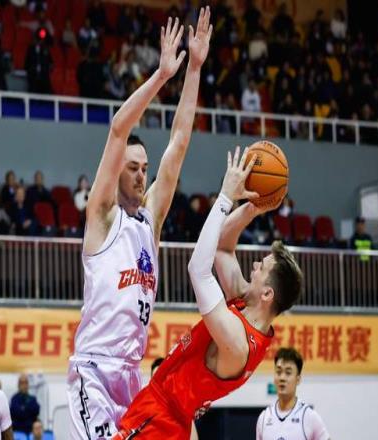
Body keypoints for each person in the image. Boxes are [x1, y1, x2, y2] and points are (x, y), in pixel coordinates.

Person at [68, 8, 213, 439]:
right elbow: (118, 129)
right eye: (132, 167)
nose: (140, 174)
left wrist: (195, 69)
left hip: (132, 375)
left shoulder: (149, 222)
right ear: (117, 172)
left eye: (144, 168)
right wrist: (162, 77)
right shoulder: (101, 216)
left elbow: (179, 143)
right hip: (95, 370)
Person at [114, 146, 303, 439]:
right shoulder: (247, 308)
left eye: (262, 266)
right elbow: (223, 247)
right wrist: (253, 207)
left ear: (267, 294)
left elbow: (198, 269)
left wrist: (226, 196)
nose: (254, 265)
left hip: (160, 419)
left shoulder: (238, 341)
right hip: (167, 416)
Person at [256, 347, 331, 440]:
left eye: (288, 373)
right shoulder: (264, 418)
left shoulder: (309, 417)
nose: (282, 378)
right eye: (278, 372)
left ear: (298, 379)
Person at [151, 358, 198, 440]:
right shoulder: (143, 409)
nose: (159, 384)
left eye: (162, 378)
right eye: (156, 379)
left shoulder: (183, 414)